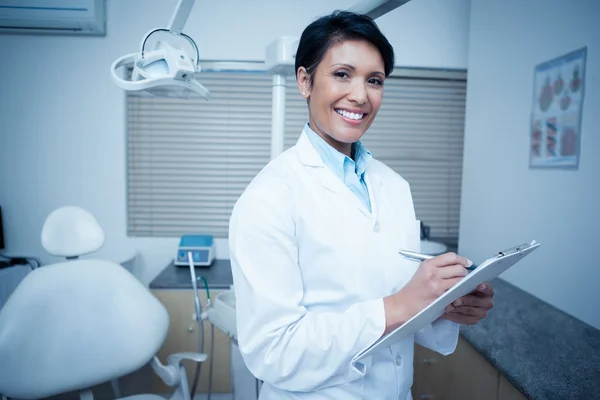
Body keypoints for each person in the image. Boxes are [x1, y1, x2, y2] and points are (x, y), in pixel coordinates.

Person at [229, 10, 494, 400]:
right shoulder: (269, 197)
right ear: (304, 81)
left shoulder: (394, 186)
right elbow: (274, 350)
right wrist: (399, 305)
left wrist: (443, 306)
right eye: (342, 74)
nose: (360, 95)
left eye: (374, 81)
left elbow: (399, 306)